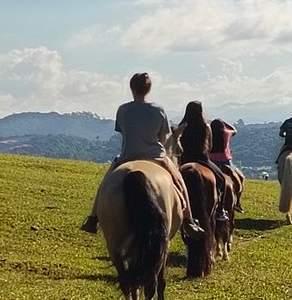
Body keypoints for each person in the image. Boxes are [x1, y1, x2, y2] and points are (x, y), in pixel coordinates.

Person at [82, 72, 203, 235]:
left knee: (105, 184)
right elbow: (163, 137)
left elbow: (123, 132)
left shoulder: (123, 109)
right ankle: (189, 220)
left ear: (131, 88)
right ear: (149, 89)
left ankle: (93, 218)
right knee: (179, 181)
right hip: (155, 156)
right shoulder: (158, 110)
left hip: (127, 155)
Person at [178, 101, 229, 222]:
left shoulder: (182, 126)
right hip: (202, 159)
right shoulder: (206, 126)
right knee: (221, 179)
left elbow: (178, 145)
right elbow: (210, 146)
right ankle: (220, 209)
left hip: (185, 159)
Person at [208, 117, 243, 212]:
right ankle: (237, 202)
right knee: (240, 178)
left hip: (210, 161)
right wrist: (225, 122)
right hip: (225, 161)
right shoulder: (227, 133)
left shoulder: (208, 134)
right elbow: (234, 130)